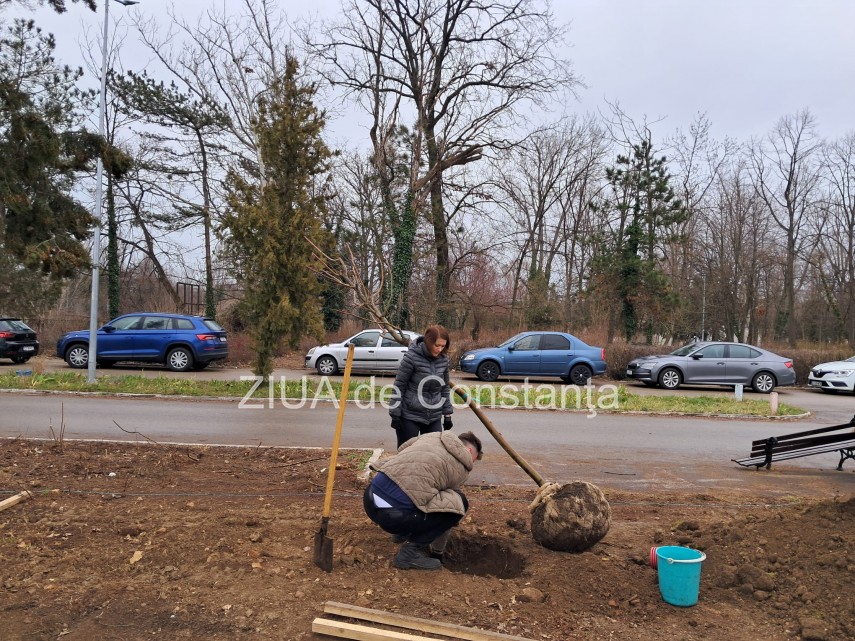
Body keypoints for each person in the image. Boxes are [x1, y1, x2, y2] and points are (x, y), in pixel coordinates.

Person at [363, 430, 483, 570]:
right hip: (394, 517)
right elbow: (451, 506)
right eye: (473, 460)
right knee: (459, 504)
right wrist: (438, 551)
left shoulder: (432, 436)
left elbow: (403, 448)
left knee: (413, 488)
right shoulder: (461, 466)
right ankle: (409, 554)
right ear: (468, 450)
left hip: (370, 499)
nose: (471, 464)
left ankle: (400, 534)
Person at [389, 324, 453, 448]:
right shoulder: (411, 357)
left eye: (443, 346)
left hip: (434, 416)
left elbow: (444, 388)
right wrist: (395, 413)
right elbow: (399, 385)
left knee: (432, 454)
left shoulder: (444, 360)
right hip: (410, 415)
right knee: (406, 455)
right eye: (437, 345)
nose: (440, 349)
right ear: (429, 342)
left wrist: (447, 414)